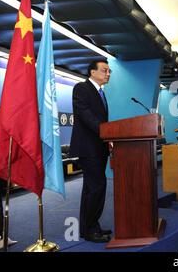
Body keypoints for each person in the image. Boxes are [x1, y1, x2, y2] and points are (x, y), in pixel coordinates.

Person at [70, 60, 112, 243]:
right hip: (88, 147)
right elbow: (85, 114)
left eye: (109, 71)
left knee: (91, 188)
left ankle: (88, 227)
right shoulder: (81, 88)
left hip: (99, 147)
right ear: (92, 72)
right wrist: (105, 131)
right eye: (104, 70)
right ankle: (91, 229)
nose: (108, 73)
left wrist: (107, 137)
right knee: (97, 187)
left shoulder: (101, 93)